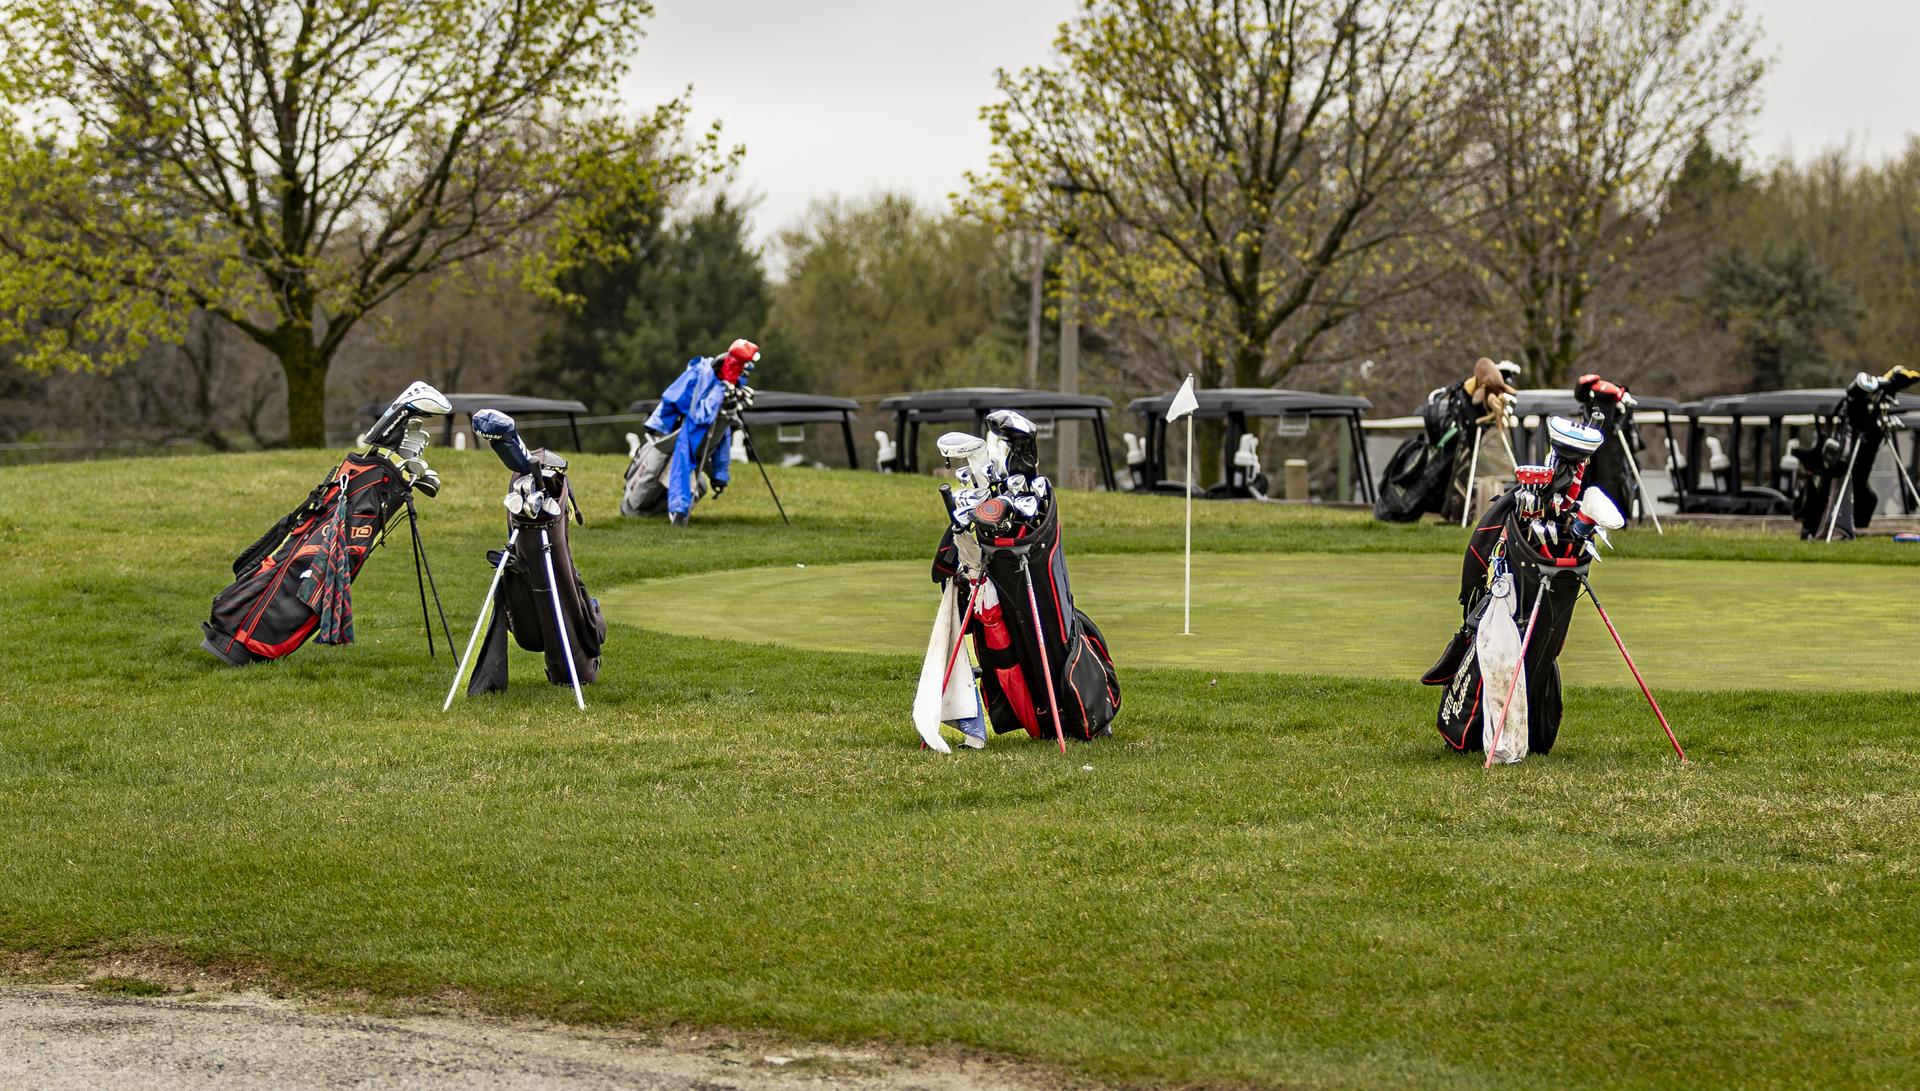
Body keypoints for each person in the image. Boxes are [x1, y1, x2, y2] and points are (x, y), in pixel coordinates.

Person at [643, 339, 759, 526]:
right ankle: (678, 511)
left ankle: (680, 509)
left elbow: (722, 441)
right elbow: (674, 399)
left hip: (708, 426)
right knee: (683, 463)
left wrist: (720, 476)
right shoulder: (701, 373)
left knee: (691, 459)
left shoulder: (729, 376)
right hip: (693, 428)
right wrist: (656, 424)